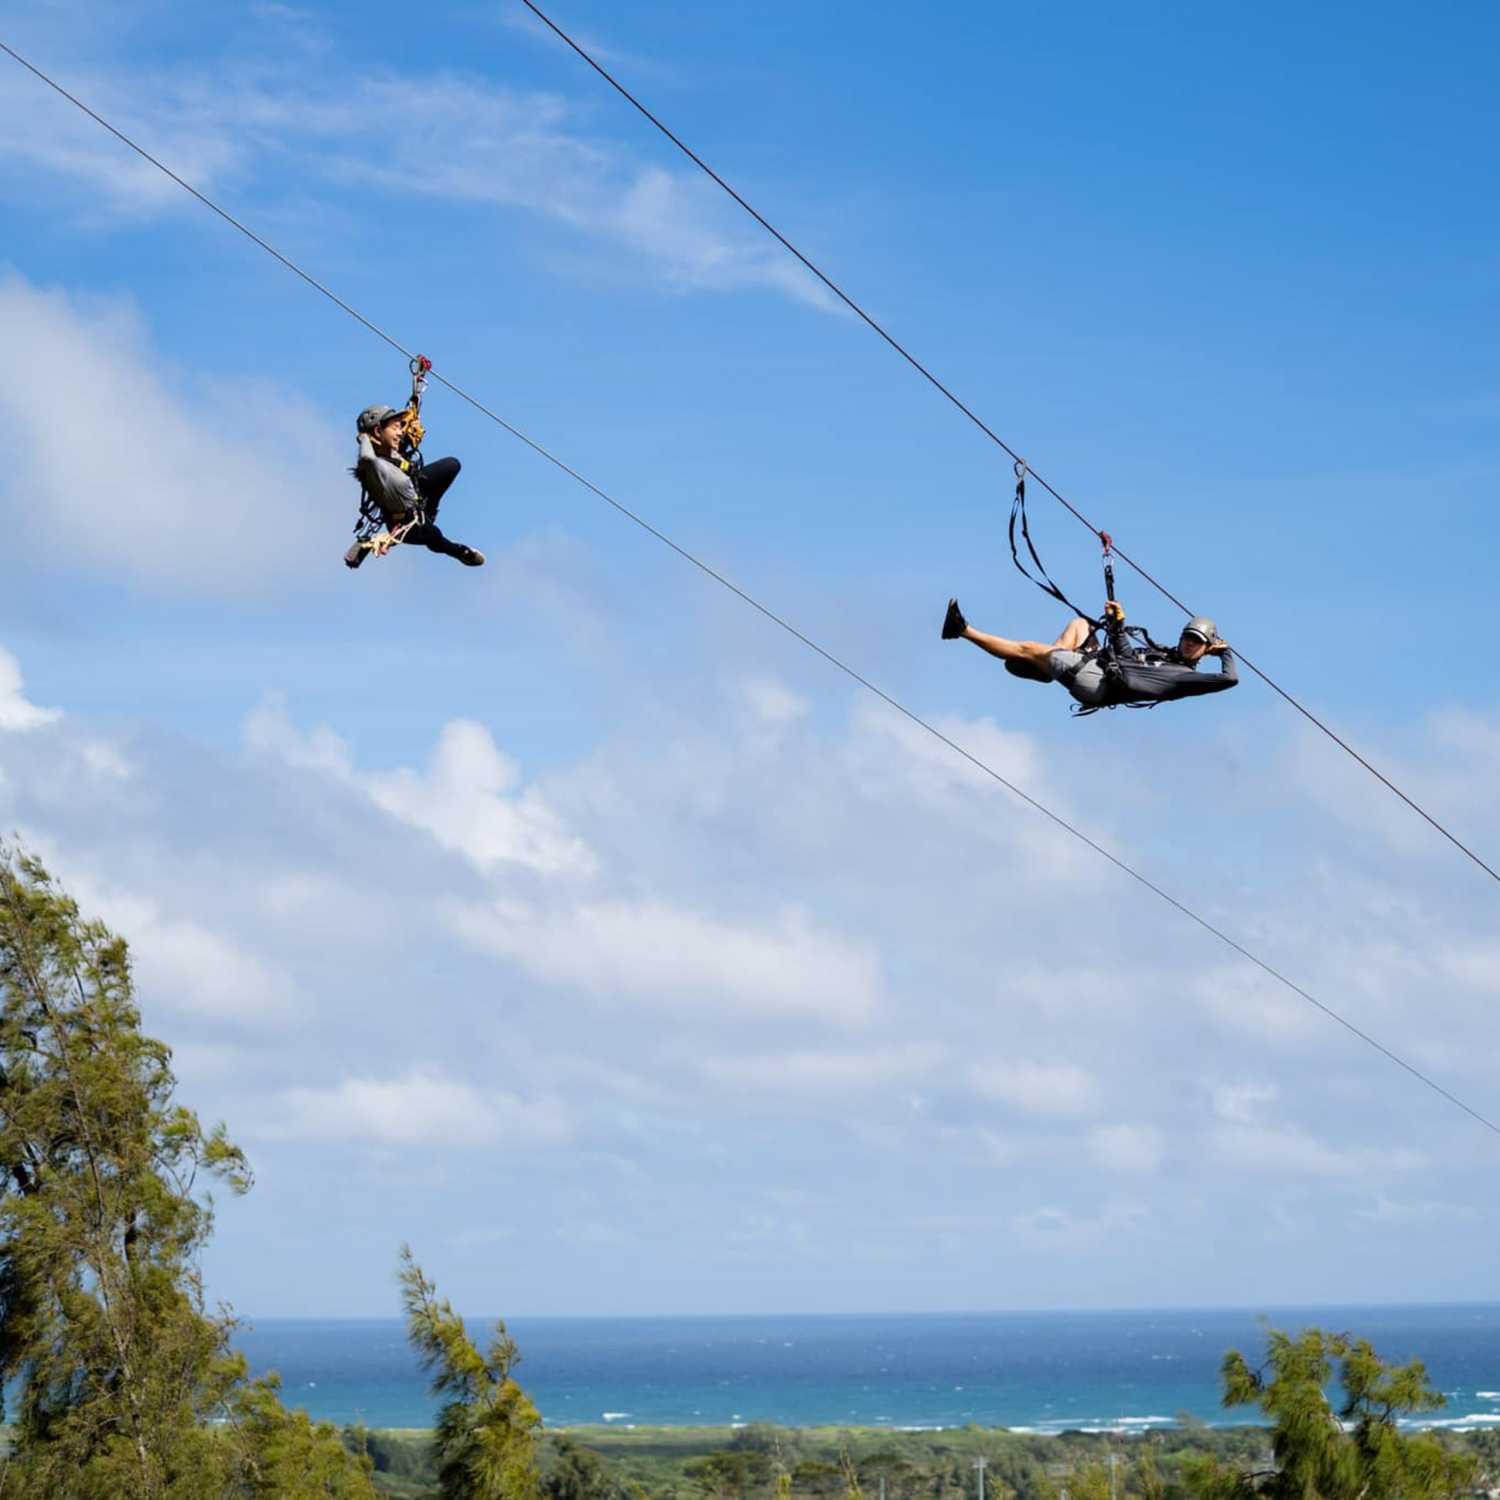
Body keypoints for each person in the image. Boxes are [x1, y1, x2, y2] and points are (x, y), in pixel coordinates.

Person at [941, 597, 1238, 709]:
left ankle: (962, 630)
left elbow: (1230, 679)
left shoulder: (1185, 679)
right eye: (1188, 637)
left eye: (1197, 642)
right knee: (1080, 625)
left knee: (1027, 649)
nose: (1189, 643)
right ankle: (1048, 669)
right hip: (1105, 665)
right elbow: (1125, 655)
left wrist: (1224, 653)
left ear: (1205, 648)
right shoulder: (1160, 656)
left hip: (1098, 683)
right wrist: (1117, 625)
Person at [344, 405, 485, 569]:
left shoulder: (392, 451)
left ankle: (429, 513)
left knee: (451, 465)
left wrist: (412, 410)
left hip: (417, 495)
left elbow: (402, 431)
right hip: (407, 524)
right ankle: (459, 552)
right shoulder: (374, 467)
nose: (399, 433)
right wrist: (364, 437)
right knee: (433, 534)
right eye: (395, 428)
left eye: (400, 427)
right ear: (377, 432)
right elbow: (366, 458)